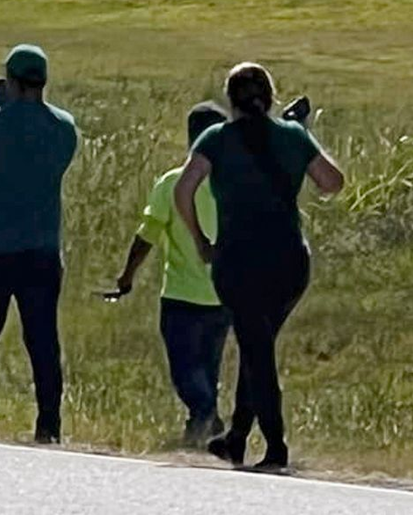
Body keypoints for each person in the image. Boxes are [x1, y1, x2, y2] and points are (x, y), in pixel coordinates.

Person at [174, 63, 343, 473]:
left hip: (238, 260)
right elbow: (332, 181)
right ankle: (235, 438)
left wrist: (201, 241)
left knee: (257, 349)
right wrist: (302, 135)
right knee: (258, 344)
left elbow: (184, 190)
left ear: (230, 101)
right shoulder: (293, 136)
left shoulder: (216, 139)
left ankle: (275, 446)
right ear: (270, 97)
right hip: (289, 261)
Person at [0, 45, 78, 444]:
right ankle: (49, 423)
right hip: (41, 246)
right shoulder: (64, 127)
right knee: (42, 339)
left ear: (12, 79)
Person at [111, 102, 232, 446]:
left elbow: (146, 235)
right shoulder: (233, 185)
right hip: (223, 296)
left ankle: (204, 413)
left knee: (184, 368)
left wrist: (127, 276)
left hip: (181, 296)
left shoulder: (173, 183)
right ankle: (205, 424)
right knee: (208, 365)